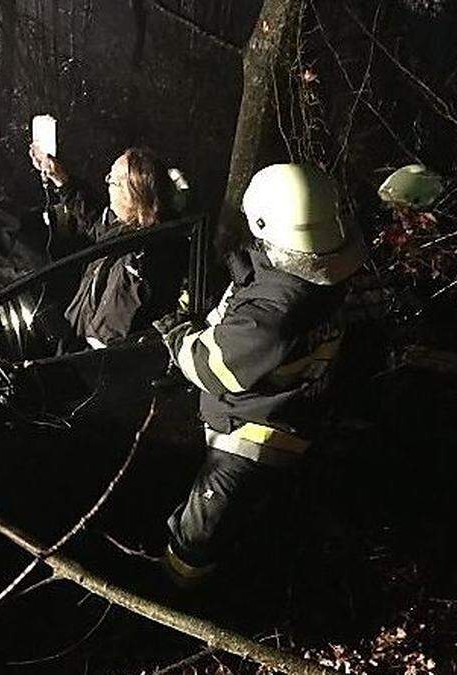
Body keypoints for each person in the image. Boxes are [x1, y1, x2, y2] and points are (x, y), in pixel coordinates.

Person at [154, 163, 367, 586]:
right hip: (291, 417)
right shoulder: (329, 274)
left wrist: (177, 330)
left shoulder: (272, 315)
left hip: (252, 439)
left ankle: (178, 602)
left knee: (196, 537)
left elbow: (207, 364)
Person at [30, 145, 185, 349]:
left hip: (94, 364)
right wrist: (61, 181)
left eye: (113, 180)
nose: (107, 185)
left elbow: (112, 334)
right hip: (76, 342)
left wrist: (81, 354)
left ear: (133, 192)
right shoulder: (123, 229)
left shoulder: (147, 253)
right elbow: (92, 221)